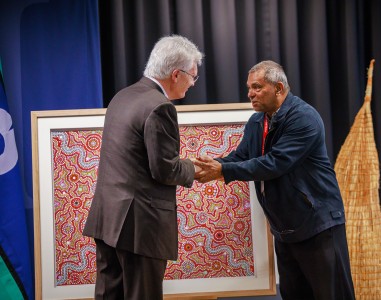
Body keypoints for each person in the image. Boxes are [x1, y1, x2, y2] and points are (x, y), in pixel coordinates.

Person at [195, 60, 355, 300]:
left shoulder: (304, 117)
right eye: (249, 87)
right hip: (285, 229)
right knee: (294, 295)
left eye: (257, 87)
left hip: (318, 225)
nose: (250, 94)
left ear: (279, 88)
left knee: (330, 295)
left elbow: (275, 163)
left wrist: (222, 171)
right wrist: (205, 166)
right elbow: (239, 157)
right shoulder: (257, 121)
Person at [82, 35, 204, 300]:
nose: (193, 83)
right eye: (192, 76)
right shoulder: (160, 107)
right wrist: (192, 168)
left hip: (107, 218)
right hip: (139, 226)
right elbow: (164, 170)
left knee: (109, 294)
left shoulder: (122, 96)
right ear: (175, 74)